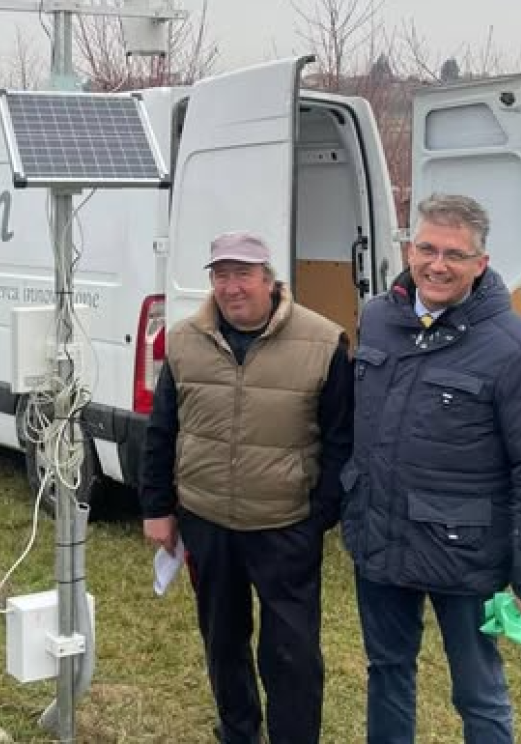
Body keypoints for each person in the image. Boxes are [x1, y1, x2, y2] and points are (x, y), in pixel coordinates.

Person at [341, 193, 521, 744]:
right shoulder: (377, 319)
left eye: (454, 254)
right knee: (387, 671)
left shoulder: (517, 349)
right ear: (410, 247)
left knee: (477, 690)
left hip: (463, 551)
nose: (437, 265)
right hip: (382, 539)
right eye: (426, 248)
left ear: (480, 265)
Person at [140, 231, 353, 744]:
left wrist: (316, 516)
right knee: (223, 640)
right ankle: (238, 731)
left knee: (292, 652)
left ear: (269, 280)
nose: (232, 287)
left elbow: (343, 441)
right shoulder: (187, 338)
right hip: (207, 520)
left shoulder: (324, 341)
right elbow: (163, 428)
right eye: (221, 275)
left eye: (243, 275)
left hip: (283, 527)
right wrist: (157, 508)